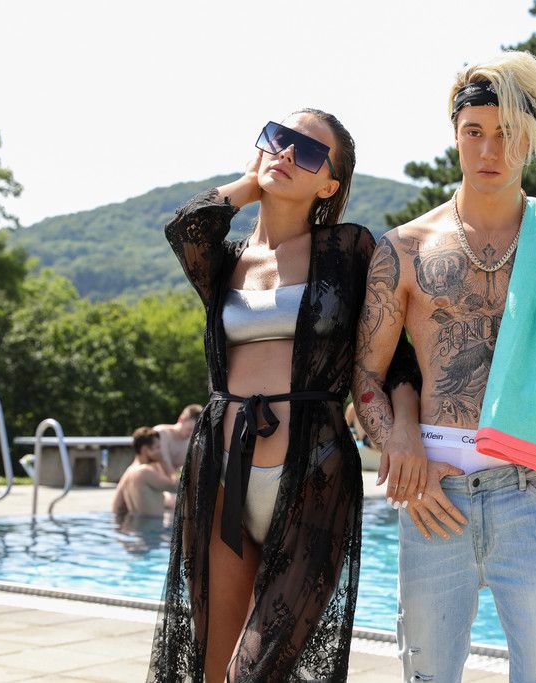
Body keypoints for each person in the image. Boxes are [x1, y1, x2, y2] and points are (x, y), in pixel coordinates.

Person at [354, 51, 536, 683]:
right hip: (433, 496)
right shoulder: (405, 249)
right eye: (475, 131)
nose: (490, 149)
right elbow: (364, 376)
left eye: (508, 134)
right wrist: (401, 450)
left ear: (530, 141)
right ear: (455, 136)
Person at [148, 110, 421, 683]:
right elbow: (185, 227)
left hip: (314, 474)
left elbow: (393, 353)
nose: (288, 153)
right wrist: (251, 184)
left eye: (309, 152)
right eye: (280, 139)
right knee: (213, 667)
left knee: (259, 671)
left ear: (330, 186)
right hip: (220, 475)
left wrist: (404, 428)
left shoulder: (349, 250)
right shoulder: (225, 261)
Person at [112, 427, 177, 517]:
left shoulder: (129, 472)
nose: (161, 451)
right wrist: (164, 463)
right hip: (153, 524)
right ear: (145, 450)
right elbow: (177, 486)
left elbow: (116, 507)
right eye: (157, 447)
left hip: (137, 523)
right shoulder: (145, 472)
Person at [152, 404, 201, 475]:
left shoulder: (193, 441)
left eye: (195, 432)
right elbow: (165, 467)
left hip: (174, 480)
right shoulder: (161, 433)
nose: (191, 435)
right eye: (189, 429)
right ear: (181, 419)